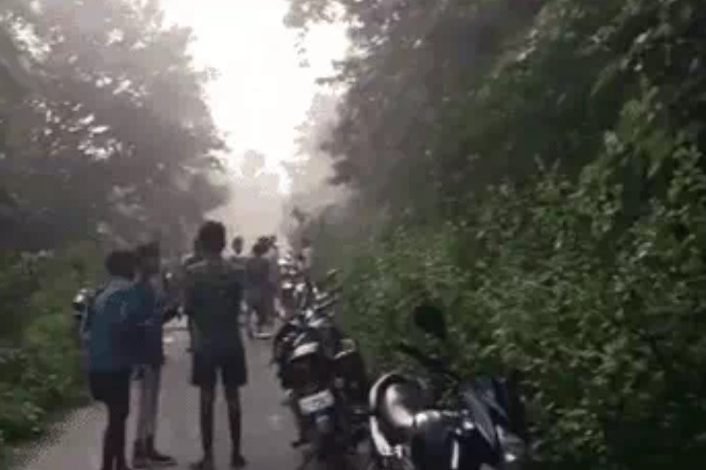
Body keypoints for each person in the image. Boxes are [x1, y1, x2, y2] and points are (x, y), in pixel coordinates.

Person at [183, 221, 247, 469]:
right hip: (231, 340)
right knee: (233, 398)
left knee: (206, 399)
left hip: (205, 344)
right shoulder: (236, 271)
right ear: (223, 242)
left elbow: (189, 309)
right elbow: (237, 304)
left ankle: (208, 456)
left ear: (201, 243)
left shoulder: (193, 274)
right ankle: (236, 454)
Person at [82, 250, 141, 470]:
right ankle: (108, 465)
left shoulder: (99, 294)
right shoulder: (129, 292)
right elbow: (129, 327)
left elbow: (84, 332)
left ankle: (121, 462)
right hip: (116, 365)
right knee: (118, 417)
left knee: (118, 415)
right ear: (128, 268)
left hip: (96, 366)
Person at [132, 242, 178, 468]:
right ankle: (140, 451)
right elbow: (140, 321)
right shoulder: (139, 287)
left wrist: (169, 311)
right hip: (144, 352)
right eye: (154, 258)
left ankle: (149, 446)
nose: (158, 263)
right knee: (145, 404)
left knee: (151, 404)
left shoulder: (152, 284)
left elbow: (156, 316)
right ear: (143, 261)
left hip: (153, 349)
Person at [245, 238, 274, 337]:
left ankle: (248, 329)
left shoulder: (248, 261)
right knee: (260, 311)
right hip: (260, 288)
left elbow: (246, 275)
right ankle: (258, 329)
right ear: (261, 251)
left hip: (250, 289)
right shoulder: (265, 261)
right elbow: (266, 276)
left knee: (249, 311)